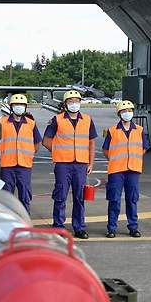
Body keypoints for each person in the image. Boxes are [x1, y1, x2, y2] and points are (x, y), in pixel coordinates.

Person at [42, 90, 98, 239]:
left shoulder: (87, 119)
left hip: (80, 164)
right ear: (65, 104)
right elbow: (46, 141)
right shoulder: (57, 119)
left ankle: (79, 227)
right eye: (71, 101)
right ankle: (58, 227)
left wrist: (90, 162)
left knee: (79, 197)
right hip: (63, 165)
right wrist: (58, 153)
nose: (74, 104)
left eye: (77, 101)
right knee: (60, 196)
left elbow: (91, 143)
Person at [103, 100, 149, 238]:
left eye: (129, 110)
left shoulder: (139, 130)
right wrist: (115, 159)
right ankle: (111, 228)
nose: (127, 113)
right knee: (114, 200)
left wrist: (134, 158)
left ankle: (133, 227)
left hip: (133, 170)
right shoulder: (112, 130)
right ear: (119, 114)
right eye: (124, 111)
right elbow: (106, 150)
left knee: (132, 199)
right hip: (116, 170)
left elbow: (144, 148)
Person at [0, 94, 41, 213]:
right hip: (7, 165)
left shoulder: (31, 123)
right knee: (7, 195)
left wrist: (29, 155)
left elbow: (37, 142)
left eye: (21, 105)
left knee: (24, 194)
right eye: (16, 104)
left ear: (25, 107)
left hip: (24, 165)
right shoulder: (1, 122)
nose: (19, 107)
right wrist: (3, 154)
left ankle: (24, 220)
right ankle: (8, 220)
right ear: (11, 106)